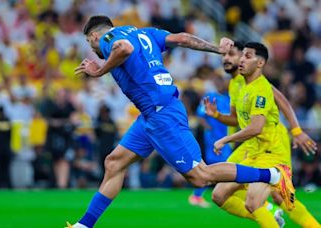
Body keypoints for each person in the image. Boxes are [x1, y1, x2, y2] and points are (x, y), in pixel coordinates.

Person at [68, 15, 293, 228]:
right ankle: (84, 224)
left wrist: (98, 72)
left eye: (90, 43)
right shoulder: (145, 33)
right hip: (151, 114)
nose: (93, 49)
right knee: (114, 163)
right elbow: (183, 39)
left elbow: (124, 49)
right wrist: (217, 49)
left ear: (94, 36)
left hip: (162, 114)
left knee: (200, 176)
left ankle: (273, 175)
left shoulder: (108, 39)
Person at [209, 42, 320, 227]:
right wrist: (217, 115)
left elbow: (257, 126)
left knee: (269, 200)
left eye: (245, 56)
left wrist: (297, 131)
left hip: (271, 153)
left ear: (260, 63)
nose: (236, 59)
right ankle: (272, 213)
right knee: (219, 195)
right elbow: (238, 119)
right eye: (241, 55)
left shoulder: (262, 88)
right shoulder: (241, 86)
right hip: (252, 151)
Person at [189, 75, 232, 208]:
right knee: (221, 166)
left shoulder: (228, 99)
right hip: (213, 138)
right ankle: (197, 195)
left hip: (225, 138)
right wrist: (209, 127)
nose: (220, 84)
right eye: (218, 82)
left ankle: (198, 195)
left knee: (225, 165)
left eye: (222, 82)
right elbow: (200, 114)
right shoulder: (210, 97)